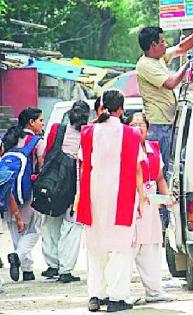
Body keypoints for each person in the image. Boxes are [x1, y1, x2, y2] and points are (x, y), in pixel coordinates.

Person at [76, 90, 144, 312]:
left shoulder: (88, 132)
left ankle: (96, 295)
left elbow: (83, 165)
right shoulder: (131, 134)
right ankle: (117, 297)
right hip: (121, 198)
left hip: (93, 196)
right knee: (121, 249)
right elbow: (136, 169)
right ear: (121, 109)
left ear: (102, 107)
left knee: (95, 248)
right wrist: (142, 197)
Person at [136, 22, 193, 175]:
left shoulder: (159, 58)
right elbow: (171, 83)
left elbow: (182, 48)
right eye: (162, 42)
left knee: (172, 166)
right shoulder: (145, 65)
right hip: (159, 125)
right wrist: (189, 63)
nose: (166, 44)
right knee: (161, 169)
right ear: (153, 45)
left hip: (170, 121)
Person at [40, 101, 90, 283]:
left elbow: (46, 155)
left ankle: (52, 265)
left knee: (51, 221)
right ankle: (65, 270)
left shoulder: (56, 129)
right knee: (72, 226)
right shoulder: (88, 133)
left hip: (54, 182)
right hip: (76, 183)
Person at [127, 113, 175, 303]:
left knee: (151, 246)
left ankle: (154, 291)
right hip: (131, 201)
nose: (138, 128)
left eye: (142, 124)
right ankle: (121, 292)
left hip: (151, 202)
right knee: (128, 246)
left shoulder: (153, 148)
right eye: (133, 124)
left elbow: (160, 177)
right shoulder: (124, 149)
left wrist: (167, 197)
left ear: (148, 129)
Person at [2, 108, 45, 282]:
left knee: (16, 229)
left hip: (7, 190)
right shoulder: (37, 142)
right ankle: (19, 257)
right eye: (40, 120)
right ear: (31, 122)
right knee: (34, 229)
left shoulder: (9, 139)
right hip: (28, 191)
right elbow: (41, 166)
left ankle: (26, 269)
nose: (42, 123)